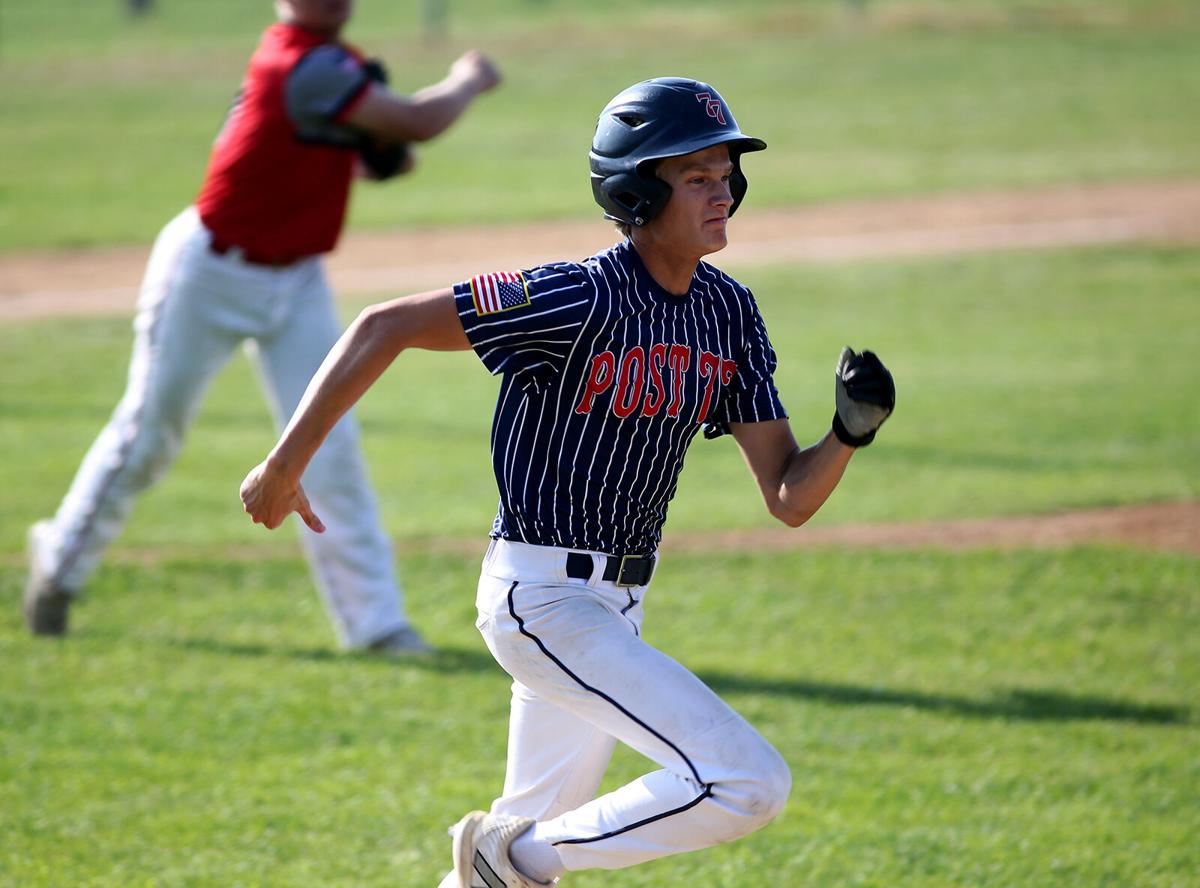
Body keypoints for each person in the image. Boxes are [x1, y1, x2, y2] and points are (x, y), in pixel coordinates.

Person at [239, 77, 895, 886]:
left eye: (727, 174)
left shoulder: (728, 314)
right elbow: (386, 325)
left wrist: (848, 435)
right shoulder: (574, 296)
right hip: (541, 599)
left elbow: (789, 497)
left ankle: (502, 862)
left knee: (515, 847)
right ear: (635, 191)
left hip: (613, 612)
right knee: (747, 782)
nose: (723, 192)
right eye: (697, 177)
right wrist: (284, 465)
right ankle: (513, 860)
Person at [22, 0, 501, 656]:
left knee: (330, 440)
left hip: (297, 277)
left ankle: (376, 625)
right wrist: (467, 79)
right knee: (148, 438)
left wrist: (375, 153)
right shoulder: (302, 64)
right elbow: (418, 123)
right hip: (210, 272)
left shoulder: (334, 67)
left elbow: (375, 158)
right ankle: (58, 566)